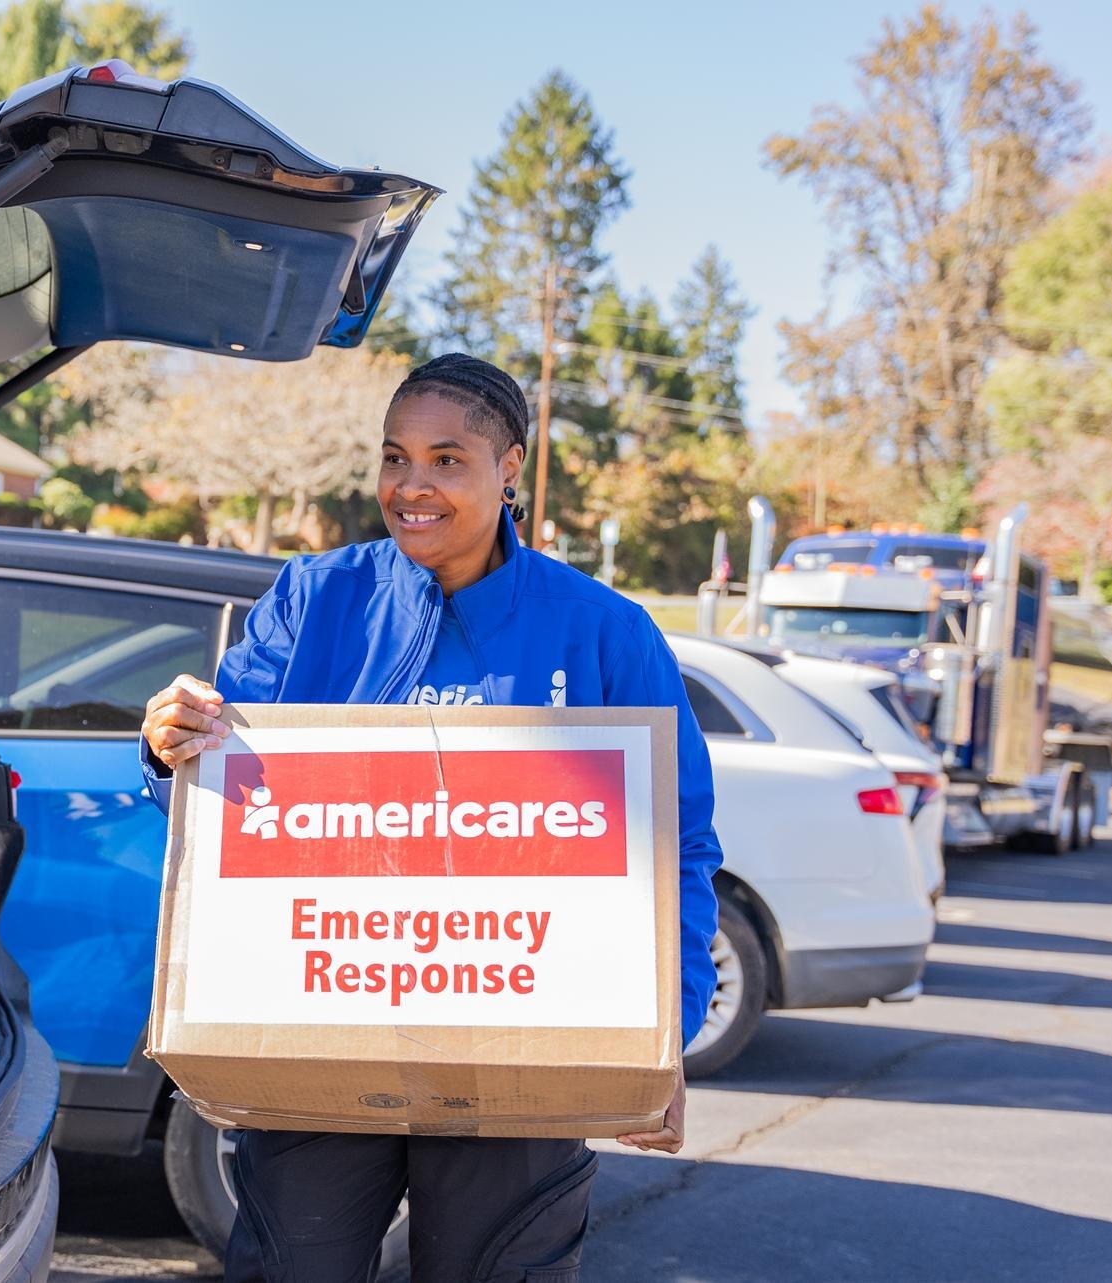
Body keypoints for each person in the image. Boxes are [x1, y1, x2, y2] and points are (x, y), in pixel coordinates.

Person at [140, 353, 723, 1282]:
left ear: (509, 468)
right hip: (321, 1039)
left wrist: (663, 1039)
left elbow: (676, 845)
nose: (411, 486)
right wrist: (171, 744)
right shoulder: (314, 599)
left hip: (526, 1049)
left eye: (447, 459)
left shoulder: (604, 632)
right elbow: (221, 799)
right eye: (395, 457)